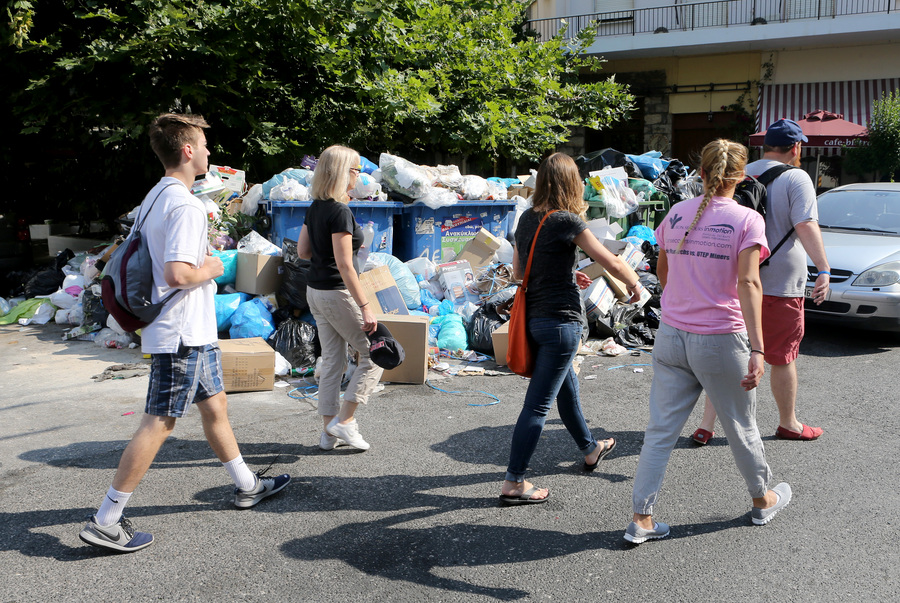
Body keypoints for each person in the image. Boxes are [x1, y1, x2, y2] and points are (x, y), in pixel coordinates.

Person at [79, 114, 290, 554]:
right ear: (188, 150)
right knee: (159, 422)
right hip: (180, 334)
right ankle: (106, 519)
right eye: (205, 145)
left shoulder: (157, 195)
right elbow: (177, 273)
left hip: (190, 330)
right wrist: (212, 267)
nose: (210, 153)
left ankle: (248, 484)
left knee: (215, 407)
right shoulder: (186, 205)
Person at [625, 139, 791, 545]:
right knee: (741, 426)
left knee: (660, 432)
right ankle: (762, 499)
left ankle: (641, 519)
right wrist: (757, 348)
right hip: (720, 339)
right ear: (742, 177)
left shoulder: (677, 213)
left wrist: (682, 302)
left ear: (700, 173)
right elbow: (749, 282)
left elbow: (662, 269)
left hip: (671, 335)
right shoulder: (748, 220)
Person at [499, 152, 642, 506]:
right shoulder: (565, 220)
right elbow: (608, 260)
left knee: (567, 389)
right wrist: (635, 284)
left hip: (535, 319)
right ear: (571, 183)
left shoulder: (526, 220)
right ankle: (514, 481)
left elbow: (519, 274)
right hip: (561, 322)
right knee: (537, 406)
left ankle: (591, 448)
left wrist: (565, 273)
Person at [691, 119, 831, 445]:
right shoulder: (798, 177)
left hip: (737, 279)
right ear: (796, 148)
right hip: (781, 283)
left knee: (731, 355)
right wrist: (823, 267)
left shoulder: (742, 171)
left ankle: (706, 426)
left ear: (764, 144)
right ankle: (788, 423)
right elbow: (806, 224)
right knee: (782, 357)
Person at [298, 145, 383, 452]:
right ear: (343, 173)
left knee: (334, 361)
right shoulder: (340, 211)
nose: (360, 176)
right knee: (376, 354)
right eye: (356, 170)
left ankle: (328, 433)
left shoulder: (316, 206)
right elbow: (346, 265)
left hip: (315, 292)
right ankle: (344, 421)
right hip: (336, 292)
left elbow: (302, 252)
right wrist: (365, 305)